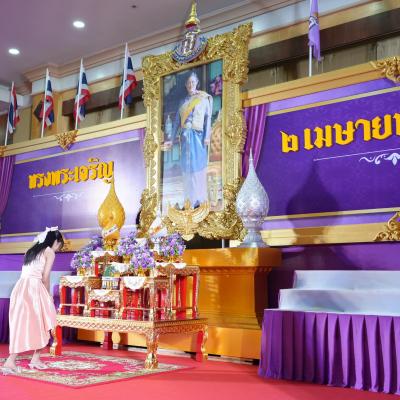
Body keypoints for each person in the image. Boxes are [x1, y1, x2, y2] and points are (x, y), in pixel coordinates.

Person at [1, 227, 64, 374]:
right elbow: (45, 277)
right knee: (45, 321)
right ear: (56, 241)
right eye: (59, 246)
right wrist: (48, 295)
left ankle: (30, 359)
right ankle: (15, 361)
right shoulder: (49, 252)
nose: (58, 249)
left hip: (20, 287)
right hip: (34, 288)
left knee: (21, 323)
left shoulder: (31, 250)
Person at [164, 72, 213, 207]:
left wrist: (207, 136)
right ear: (186, 85)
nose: (191, 85)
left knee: (198, 167)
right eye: (188, 83)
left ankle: (200, 200)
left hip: (198, 138)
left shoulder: (203, 99)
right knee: (187, 169)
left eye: (193, 82)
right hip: (185, 139)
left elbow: (208, 118)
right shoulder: (183, 102)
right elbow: (176, 123)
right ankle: (189, 200)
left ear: (196, 83)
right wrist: (171, 139)